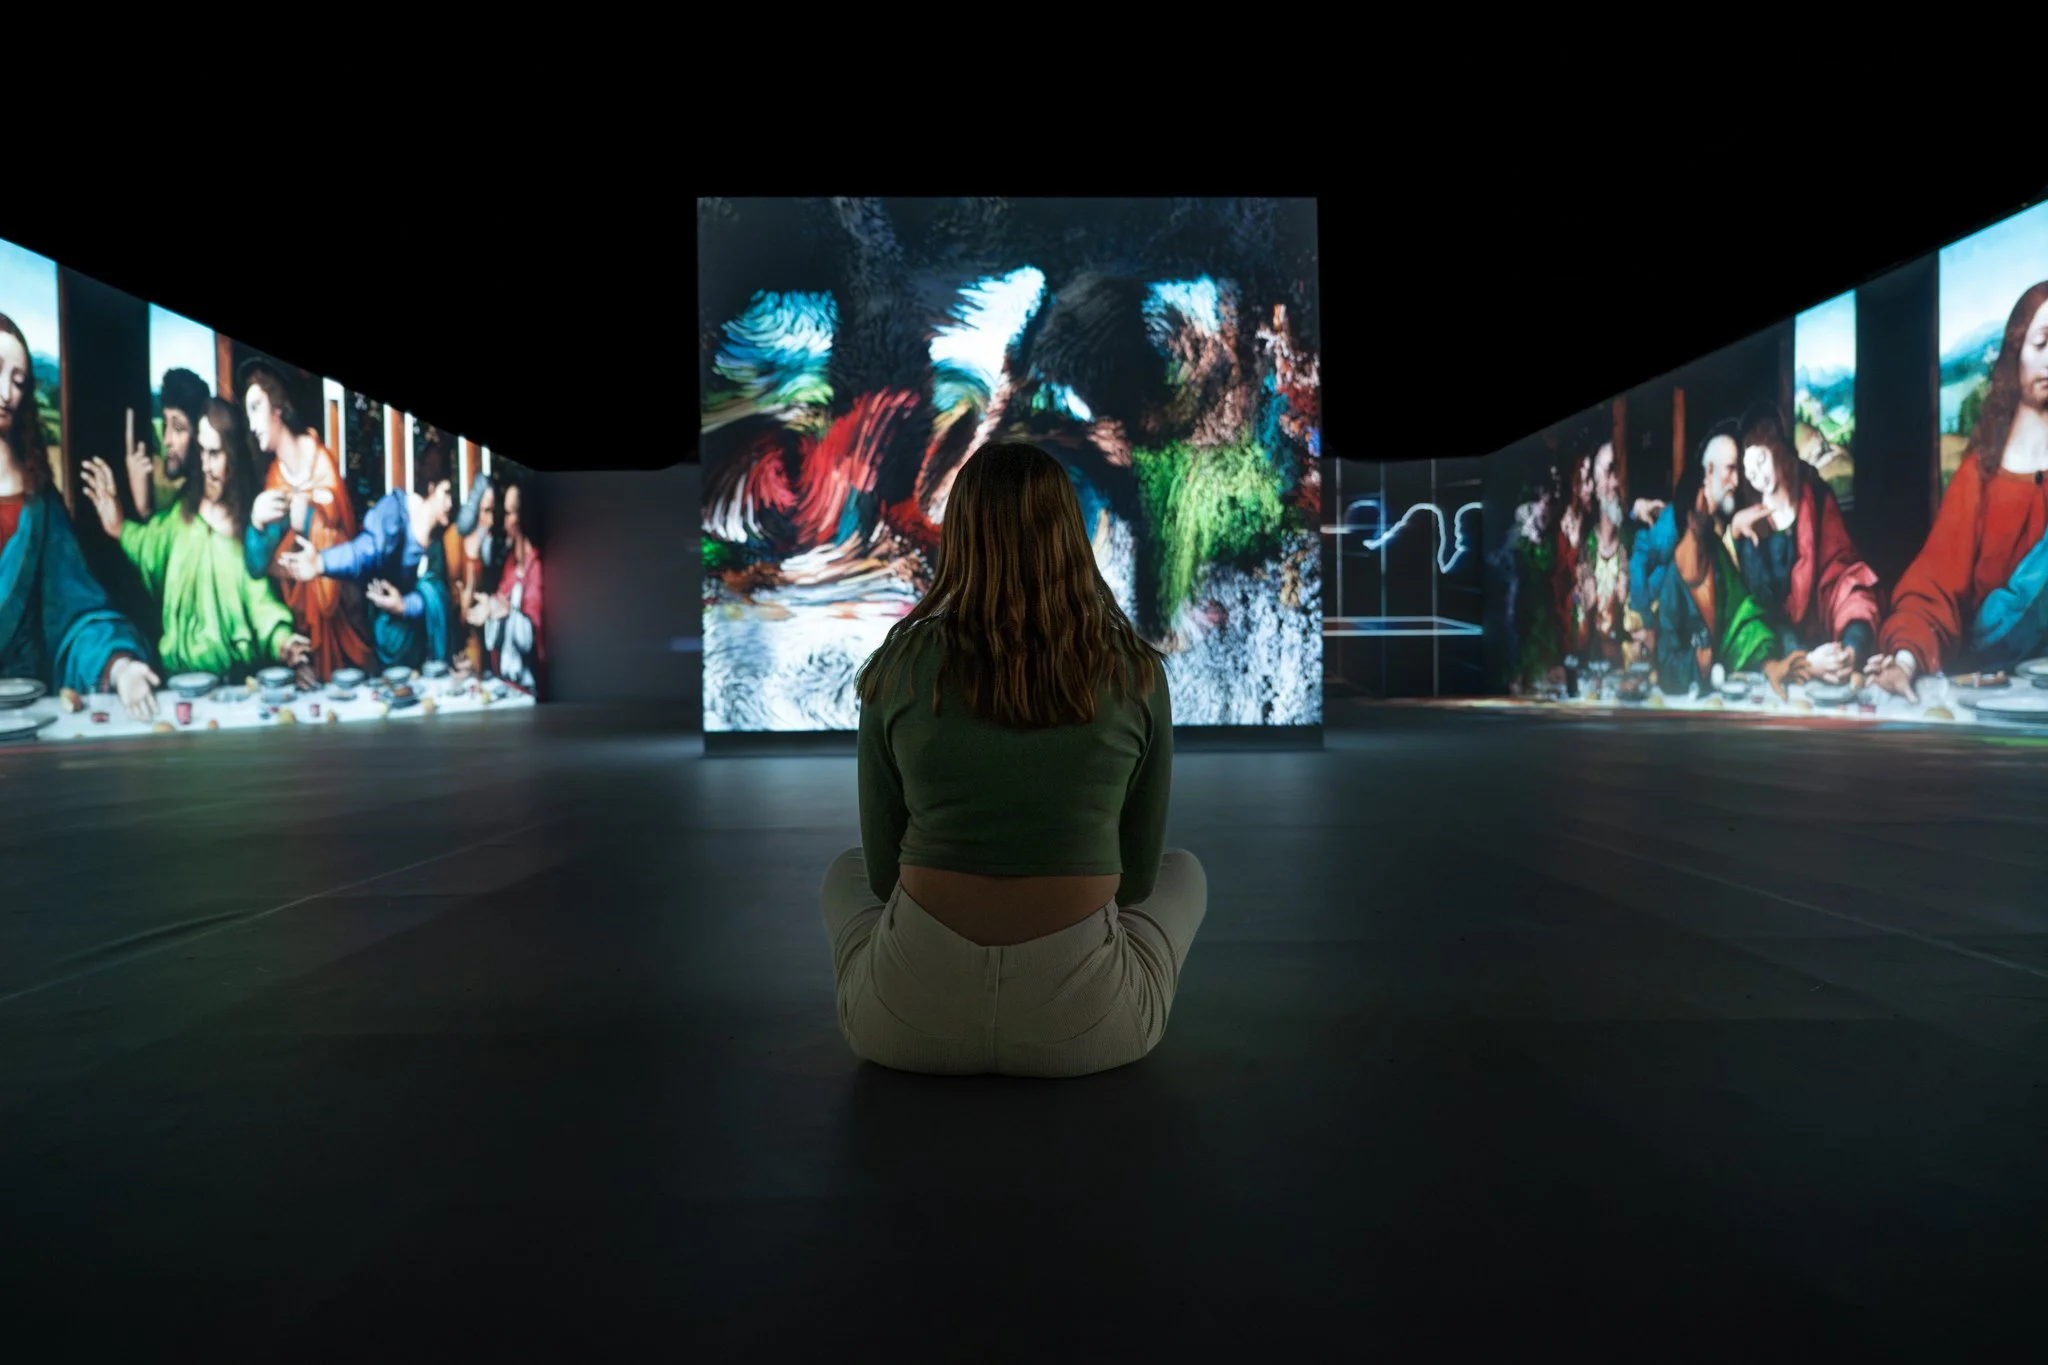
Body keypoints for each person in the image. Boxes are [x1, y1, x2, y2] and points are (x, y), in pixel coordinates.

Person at [819, 440, 1207, 1079]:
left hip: (907, 1023)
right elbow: (1137, 883)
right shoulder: (1135, 672)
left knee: (844, 872)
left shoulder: (900, 667)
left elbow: (885, 879)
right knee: (1183, 873)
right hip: (1083, 1029)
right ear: (1070, 531)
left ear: (961, 535)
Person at [1866, 282, 2048, 698]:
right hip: (1991, 690)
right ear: (2016, 351)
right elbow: (1935, 585)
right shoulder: (1979, 476)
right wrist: (1906, 659)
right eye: (2042, 343)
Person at [81, 398, 311, 683]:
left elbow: (261, 605)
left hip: (233, 686)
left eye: (215, 453)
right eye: (201, 451)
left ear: (234, 455)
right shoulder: (182, 516)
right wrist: (118, 526)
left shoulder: (247, 534)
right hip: (177, 680)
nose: (205, 465)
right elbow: (147, 545)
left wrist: (285, 643)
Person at [0, 313, 159, 719]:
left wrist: (118, 667)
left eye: (18, 382)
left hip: (21, 710)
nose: (5, 393)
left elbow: (77, 613)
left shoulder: (37, 503)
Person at [242, 360, 376, 679]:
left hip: (341, 611)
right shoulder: (274, 478)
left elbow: (347, 534)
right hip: (301, 613)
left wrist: (311, 516)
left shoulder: (320, 460)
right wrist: (258, 524)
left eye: (256, 407)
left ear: (278, 408)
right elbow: (258, 565)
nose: (251, 424)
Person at [1728, 403, 1879, 685]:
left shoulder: (1817, 499)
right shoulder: (1747, 525)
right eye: (1749, 471)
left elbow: (1844, 576)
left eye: (1760, 461)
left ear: (1777, 450)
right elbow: (1759, 609)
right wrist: (1804, 661)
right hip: (1781, 659)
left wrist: (1851, 647)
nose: (1757, 476)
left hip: (1829, 649)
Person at [278, 441, 455, 670]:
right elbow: (364, 552)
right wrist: (322, 562)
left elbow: (436, 593)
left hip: (422, 644)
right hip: (388, 637)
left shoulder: (436, 542)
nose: (450, 504)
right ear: (430, 488)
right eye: (446, 493)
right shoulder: (394, 511)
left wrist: (403, 605)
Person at [1631, 419, 1741, 655]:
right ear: (1709, 470)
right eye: (1731, 470)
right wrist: (1648, 622)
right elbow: (1642, 555)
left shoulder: (1723, 521)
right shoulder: (1675, 519)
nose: (1737, 481)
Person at [476, 474, 542, 693]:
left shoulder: (539, 566)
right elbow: (501, 603)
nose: (504, 521)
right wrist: (490, 607)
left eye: (509, 513)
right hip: (506, 684)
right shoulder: (510, 563)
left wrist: (507, 612)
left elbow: (538, 639)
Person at [126, 368, 211, 520]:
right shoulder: (182, 493)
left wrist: (143, 509)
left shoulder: (205, 503)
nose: (166, 440)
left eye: (178, 428)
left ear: (199, 434)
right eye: (166, 425)